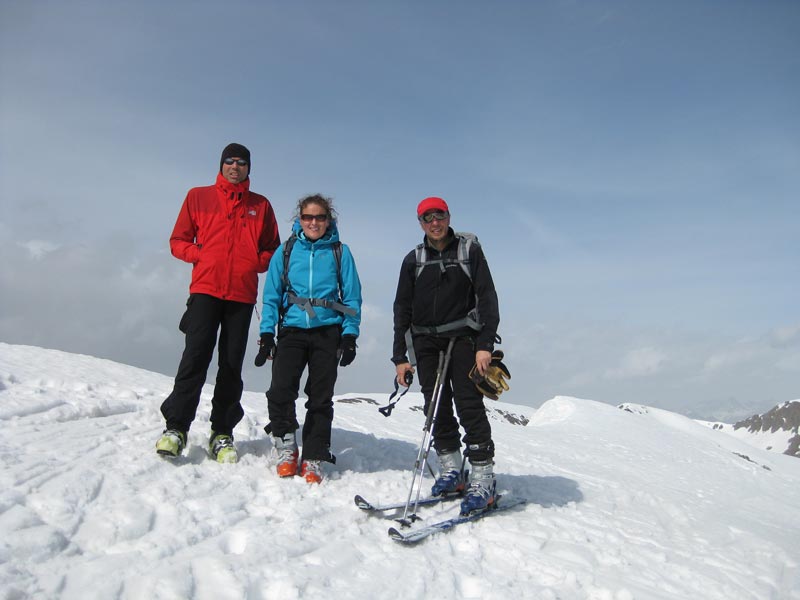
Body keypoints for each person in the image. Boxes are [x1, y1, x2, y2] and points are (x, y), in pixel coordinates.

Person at [156, 143, 280, 463]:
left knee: (231, 366)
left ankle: (222, 433)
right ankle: (176, 428)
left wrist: (253, 262)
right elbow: (178, 241)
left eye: (241, 162)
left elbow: (273, 249)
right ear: (221, 165)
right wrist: (202, 255)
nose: (235, 167)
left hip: (241, 295)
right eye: (229, 161)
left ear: (249, 168)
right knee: (194, 359)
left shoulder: (261, 205)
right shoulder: (198, 197)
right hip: (205, 290)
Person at [392, 196, 501, 514]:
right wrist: (400, 356)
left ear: (448, 217)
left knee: (469, 405)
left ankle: (483, 477)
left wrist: (485, 344)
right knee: (435, 406)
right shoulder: (413, 259)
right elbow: (402, 309)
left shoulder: (469, 251)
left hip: (464, 340)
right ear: (420, 223)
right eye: (427, 218)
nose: (434, 223)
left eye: (439, 216)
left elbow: (487, 297)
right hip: (425, 343)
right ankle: (452, 470)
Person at [255, 194, 362, 484]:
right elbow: (271, 295)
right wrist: (267, 333)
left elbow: (352, 297)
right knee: (280, 390)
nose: (314, 222)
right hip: (292, 329)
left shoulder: (340, 252)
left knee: (320, 396)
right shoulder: (287, 250)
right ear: (299, 220)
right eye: (308, 217)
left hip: (328, 331)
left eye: (320, 217)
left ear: (329, 220)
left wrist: (350, 334)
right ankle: (286, 446)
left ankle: (314, 454)